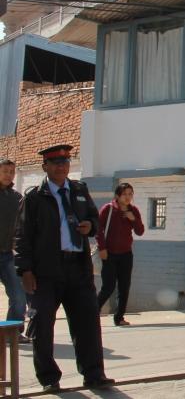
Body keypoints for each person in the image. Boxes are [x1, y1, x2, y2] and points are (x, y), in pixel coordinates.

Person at [15, 145, 114, 392]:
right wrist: (25, 270)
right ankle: (49, 378)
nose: (62, 166)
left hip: (77, 268)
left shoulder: (79, 190)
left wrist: (89, 226)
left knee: (87, 323)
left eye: (66, 161)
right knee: (42, 326)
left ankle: (94, 374)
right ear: (45, 167)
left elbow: (95, 220)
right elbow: (22, 237)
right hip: (45, 272)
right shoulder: (35, 197)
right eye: (56, 162)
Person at [96, 182, 144, 327]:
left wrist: (133, 219)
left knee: (124, 286)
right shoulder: (108, 209)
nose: (128, 197)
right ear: (117, 196)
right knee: (108, 286)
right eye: (125, 194)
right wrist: (102, 248)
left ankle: (119, 317)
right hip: (109, 254)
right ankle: (92, 313)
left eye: (130, 194)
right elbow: (98, 230)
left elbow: (140, 231)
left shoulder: (133, 210)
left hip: (126, 254)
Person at [0, 159, 28, 343]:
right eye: (5, 171)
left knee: (19, 296)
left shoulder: (17, 198)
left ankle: (12, 333)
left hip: (8, 255)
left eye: (12, 171)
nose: (9, 174)